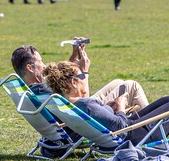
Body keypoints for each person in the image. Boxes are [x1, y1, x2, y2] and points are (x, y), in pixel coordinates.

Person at [43, 61, 169, 160]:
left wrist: (110, 108)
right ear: (74, 82)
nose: (84, 78)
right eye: (81, 75)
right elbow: (120, 125)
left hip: (124, 130)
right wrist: (119, 108)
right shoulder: (85, 104)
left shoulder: (69, 103)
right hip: (129, 135)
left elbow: (106, 121)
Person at [11, 42, 148, 111]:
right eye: (40, 61)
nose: (44, 64)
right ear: (30, 67)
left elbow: (62, 81)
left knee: (117, 82)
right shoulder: (44, 91)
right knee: (131, 86)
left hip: (74, 116)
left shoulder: (32, 90)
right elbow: (85, 101)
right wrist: (84, 71)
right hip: (86, 119)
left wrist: (74, 57)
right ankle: (152, 126)